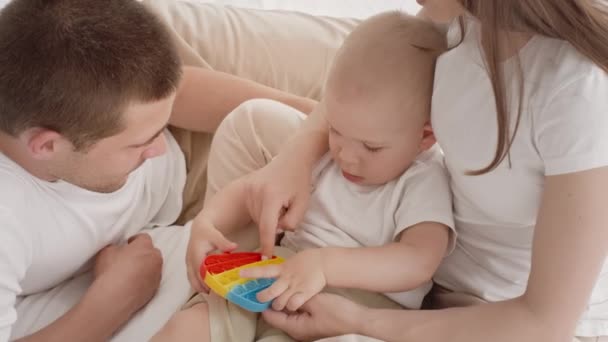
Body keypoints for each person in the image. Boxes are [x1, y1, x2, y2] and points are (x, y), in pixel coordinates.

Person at [220, 0, 608, 341]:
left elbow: (543, 325)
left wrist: (360, 320)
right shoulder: (461, 16)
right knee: (255, 119)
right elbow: (369, 80)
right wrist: (294, 160)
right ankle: (225, 264)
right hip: (414, 251)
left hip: (493, 313)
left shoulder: (577, 92)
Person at [0, 0, 315, 341]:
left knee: (361, 81)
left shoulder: (110, 106)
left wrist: (318, 123)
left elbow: (176, 94)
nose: (158, 148)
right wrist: (111, 301)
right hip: (185, 213)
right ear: (46, 145)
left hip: (197, 131)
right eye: (140, 144)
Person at [153, 12, 453, 342]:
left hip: (356, 306)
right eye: (337, 130)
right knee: (185, 330)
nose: (346, 155)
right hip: (275, 276)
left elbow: (418, 261)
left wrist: (324, 266)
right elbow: (250, 190)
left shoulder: (423, 179)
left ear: (426, 137)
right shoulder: (324, 150)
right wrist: (209, 222)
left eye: (372, 147)